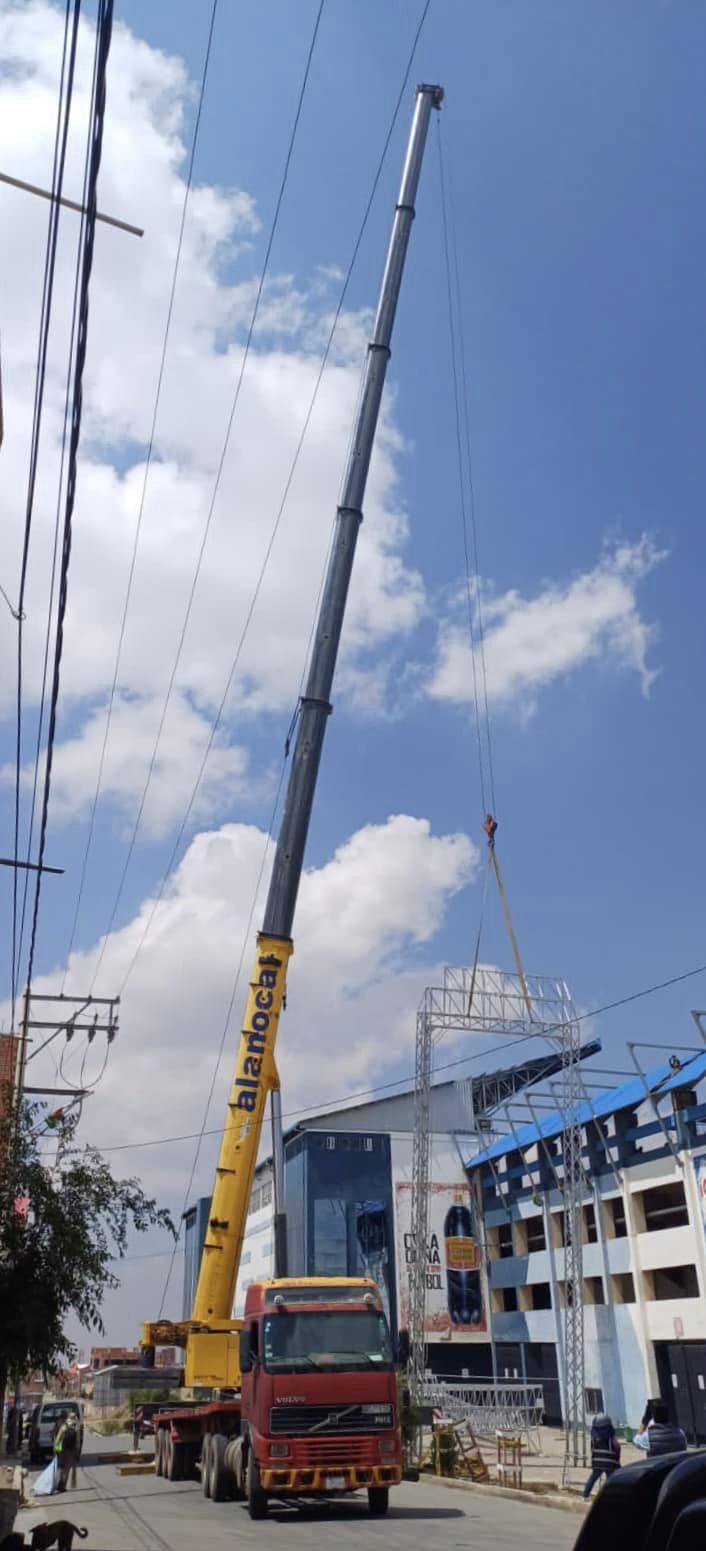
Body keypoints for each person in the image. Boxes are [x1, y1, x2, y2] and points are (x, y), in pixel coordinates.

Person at [583, 1413, 621, 1499]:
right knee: (610, 1480)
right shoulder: (611, 1437)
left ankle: (585, 1495)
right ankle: (609, 1497)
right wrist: (617, 1459)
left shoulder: (594, 1438)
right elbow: (617, 1448)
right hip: (610, 1463)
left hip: (597, 1463)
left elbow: (592, 1450)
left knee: (593, 1478)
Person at [53, 1411, 79, 1491]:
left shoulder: (64, 1427)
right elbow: (77, 1442)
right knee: (67, 1469)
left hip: (62, 1450)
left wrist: (55, 1449)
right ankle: (63, 1486)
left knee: (61, 1468)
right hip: (71, 1451)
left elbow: (57, 1439)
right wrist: (77, 1453)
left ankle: (59, 1484)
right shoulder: (75, 1428)